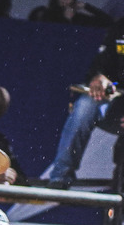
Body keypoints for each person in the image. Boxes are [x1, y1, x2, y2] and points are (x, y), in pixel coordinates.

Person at [44, 16, 124, 189]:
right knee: (86, 104)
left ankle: (119, 187)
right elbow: (102, 64)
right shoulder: (121, 27)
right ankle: (60, 177)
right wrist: (100, 76)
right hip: (117, 95)